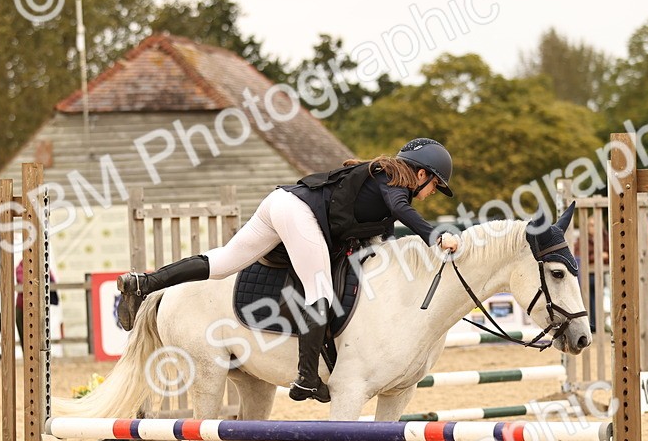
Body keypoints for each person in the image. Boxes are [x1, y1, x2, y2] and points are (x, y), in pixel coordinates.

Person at [115, 138, 460, 403]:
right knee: (320, 291)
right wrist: (436, 234)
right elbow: (401, 210)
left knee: (223, 263)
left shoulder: (382, 181)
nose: (433, 193)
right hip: (297, 212)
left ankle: (143, 282)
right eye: (435, 185)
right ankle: (307, 376)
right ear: (421, 173)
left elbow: (379, 239)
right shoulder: (394, 183)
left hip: (280, 201)